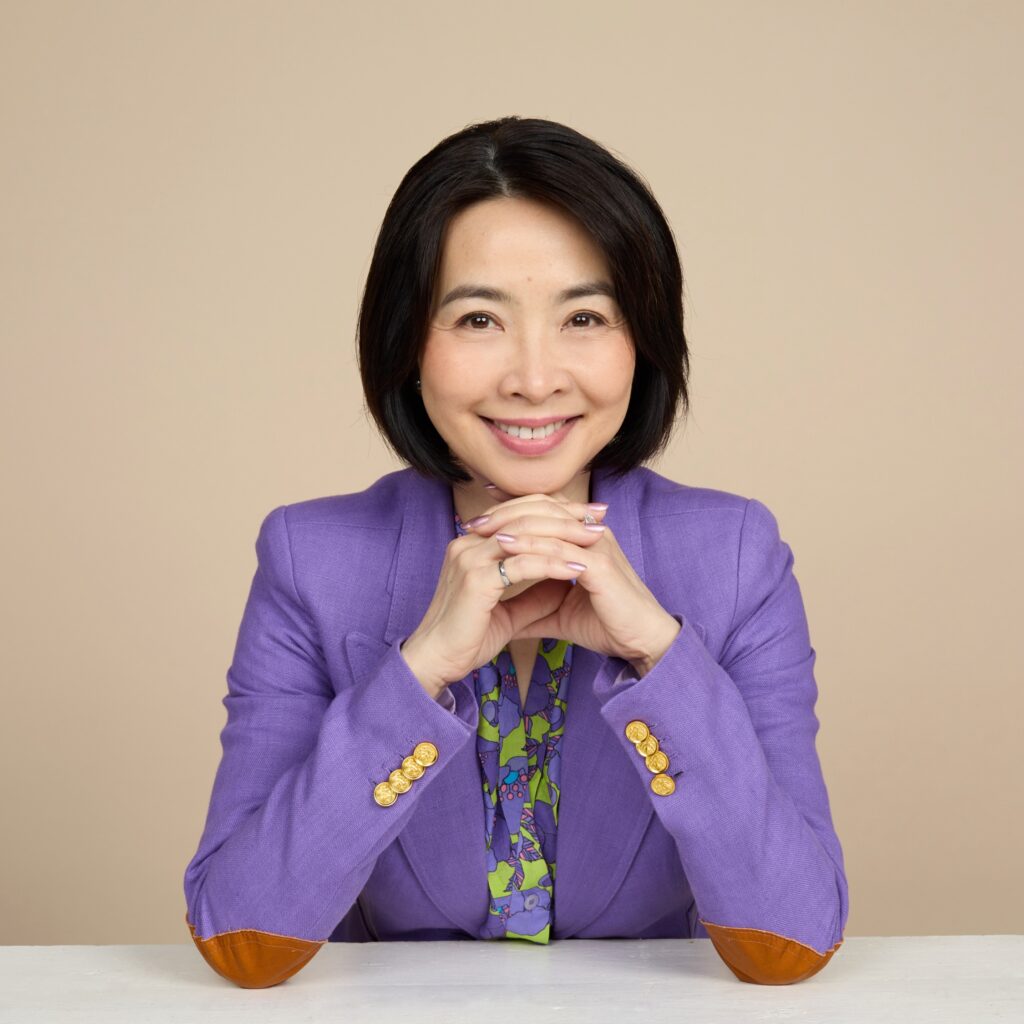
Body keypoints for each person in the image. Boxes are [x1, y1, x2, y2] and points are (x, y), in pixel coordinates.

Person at [183, 115, 849, 988]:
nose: (534, 378)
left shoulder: (733, 555)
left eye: (584, 315)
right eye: (478, 319)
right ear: (407, 343)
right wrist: (418, 671)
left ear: (639, 340)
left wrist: (661, 651)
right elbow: (243, 940)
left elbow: (791, 942)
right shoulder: (312, 560)